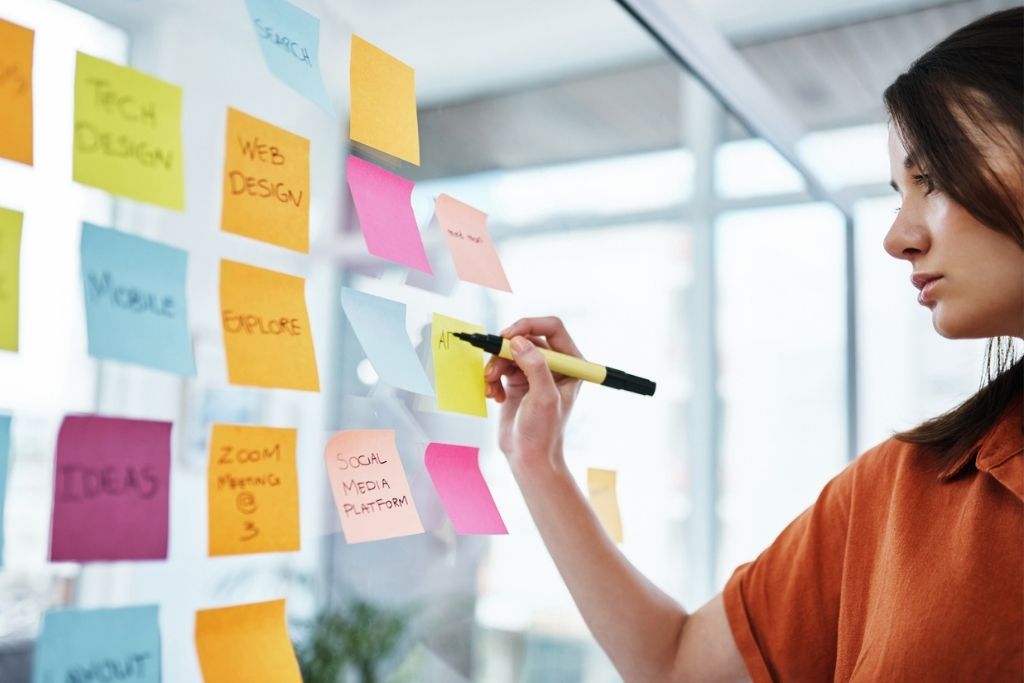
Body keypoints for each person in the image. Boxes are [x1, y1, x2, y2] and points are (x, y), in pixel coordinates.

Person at [482, 8, 1023, 682]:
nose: (898, 237)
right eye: (898, 193)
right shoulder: (899, 493)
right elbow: (677, 664)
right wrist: (539, 460)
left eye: (933, 179)